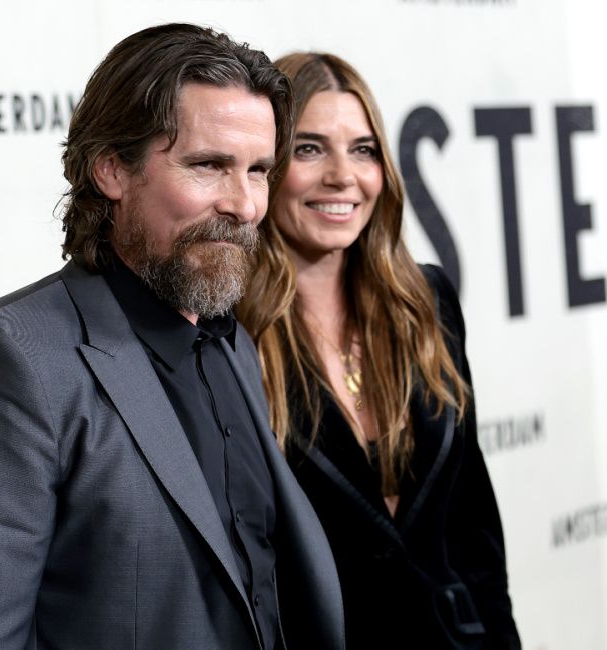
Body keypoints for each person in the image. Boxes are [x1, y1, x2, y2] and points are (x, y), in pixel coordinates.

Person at [0, 25, 343, 650]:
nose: (244, 204)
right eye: (209, 166)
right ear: (110, 167)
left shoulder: (233, 343)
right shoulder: (9, 364)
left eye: (260, 170)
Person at [237, 52, 522, 650]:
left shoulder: (427, 302)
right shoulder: (229, 334)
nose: (343, 176)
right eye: (310, 148)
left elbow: (475, 530)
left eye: (363, 150)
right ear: (266, 166)